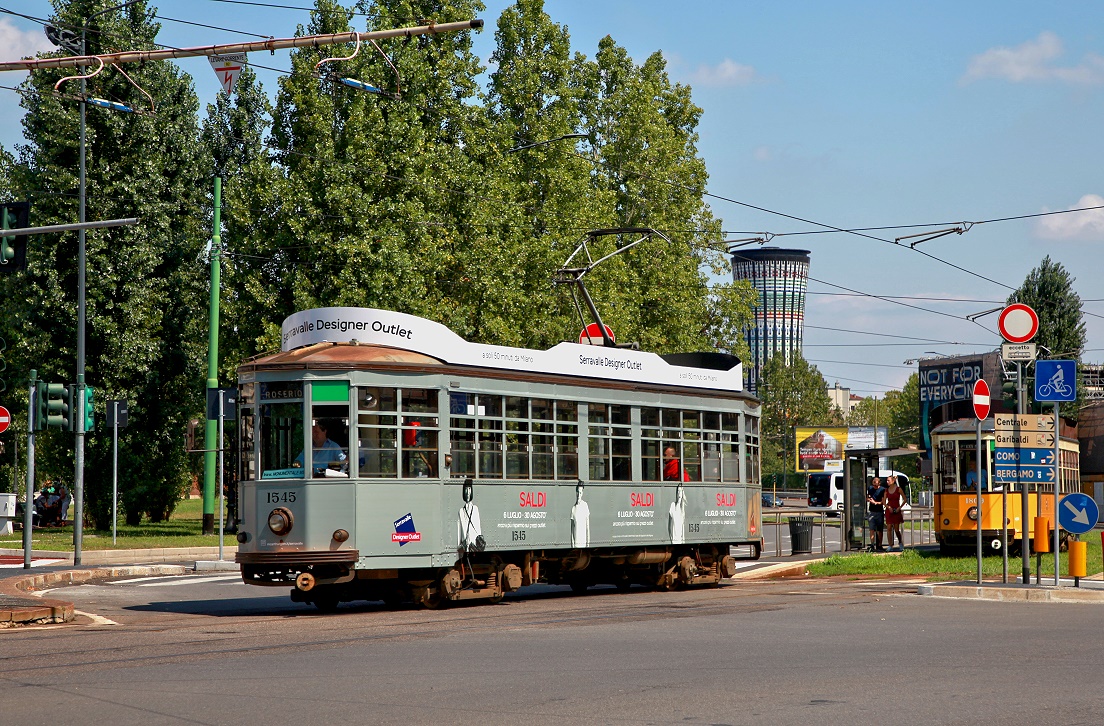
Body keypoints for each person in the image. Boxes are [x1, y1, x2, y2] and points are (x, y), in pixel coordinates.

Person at [457, 478, 483, 552]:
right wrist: (459, 545)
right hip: (465, 545)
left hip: (473, 544)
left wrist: (478, 542)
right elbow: (459, 531)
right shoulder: (461, 511)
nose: (468, 493)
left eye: (469, 489)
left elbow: (478, 528)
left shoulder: (475, 509)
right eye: (466, 490)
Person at [883, 476, 905, 552]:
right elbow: (884, 502)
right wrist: (888, 507)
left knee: (896, 529)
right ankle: (890, 545)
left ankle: (900, 543)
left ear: (893, 481)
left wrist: (899, 507)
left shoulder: (898, 489)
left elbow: (905, 499)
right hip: (890, 510)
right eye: (887, 480)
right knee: (889, 528)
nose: (887, 482)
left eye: (888, 480)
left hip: (897, 510)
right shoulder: (886, 490)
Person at [866, 476, 886, 552]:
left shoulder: (882, 490)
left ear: (879, 483)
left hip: (879, 511)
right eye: (873, 483)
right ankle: (872, 544)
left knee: (880, 530)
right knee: (871, 529)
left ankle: (880, 545)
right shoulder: (870, 488)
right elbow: (867, 497)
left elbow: (883, 502)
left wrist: (875, 503)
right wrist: (869, 499)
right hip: (871, 511)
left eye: (876, 484)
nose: (874, 486)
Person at [570, 480, 590, 547]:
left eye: (580, 493)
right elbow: (572, 531)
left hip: (584, 544)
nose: (579, 495)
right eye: (578, 492)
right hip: (576, 545)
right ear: (576, 493)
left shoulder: (585, 506)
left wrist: (588, 544)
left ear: (582, 493)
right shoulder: (573, 508)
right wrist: (572, 545)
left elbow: (587, 527)